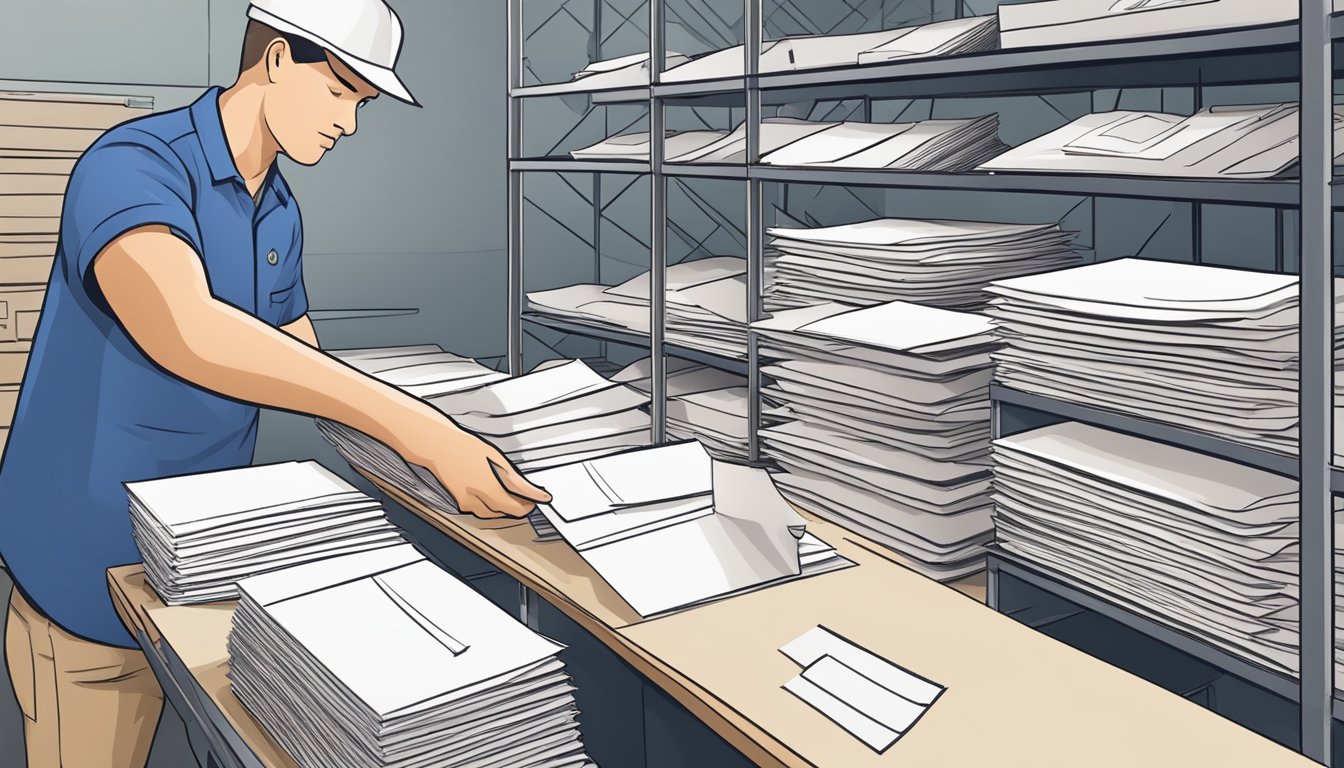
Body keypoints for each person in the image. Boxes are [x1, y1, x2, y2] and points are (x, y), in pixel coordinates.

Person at [0, 1, 550, 765]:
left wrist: (450, 462)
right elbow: (185, 329)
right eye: (339, 94)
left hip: (204, 565)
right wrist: (418, 428)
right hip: (89, 566)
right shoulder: (132, 164)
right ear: (276, 59)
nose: (349, 125)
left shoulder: (280, 212)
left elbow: (305, 372)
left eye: (360, 106)